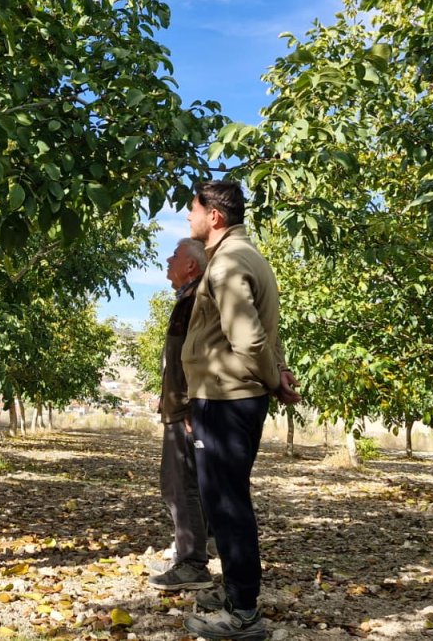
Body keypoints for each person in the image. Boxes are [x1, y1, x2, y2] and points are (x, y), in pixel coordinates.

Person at [180, 180, 299, 641]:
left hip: (228, 399)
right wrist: (280, 370)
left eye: (192, 210)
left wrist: (272, 378)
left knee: (227, 504)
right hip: (232, 396)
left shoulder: (227, 263)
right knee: (225, 499)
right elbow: (267, 329)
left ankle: (244, 612)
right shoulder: (248, 256)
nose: (188, 219)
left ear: (215, 216)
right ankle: (234, 591)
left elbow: (249, 340)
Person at [148, 238, 213, 593]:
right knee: (183, 483)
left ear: (191, 265)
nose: (168, 259)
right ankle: (188, 552)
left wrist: (188, 405)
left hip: (186, 410)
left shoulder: (196, 301)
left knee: (180, 485)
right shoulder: (187, 300)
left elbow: (199, 357)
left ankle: (192, 564)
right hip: (179, 406)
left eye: (174, 255)